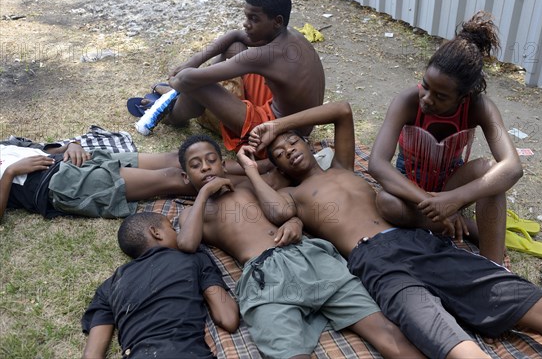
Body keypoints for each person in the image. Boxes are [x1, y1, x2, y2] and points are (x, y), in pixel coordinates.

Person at [245, 101, 542, 359]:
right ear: (276, 168)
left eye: (292, 142)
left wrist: (277, 125)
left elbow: (342, 110)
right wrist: (249, 167)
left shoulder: (342, 165)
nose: (288, 151)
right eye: (278, 154)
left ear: (306, 142)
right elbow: (276, 210)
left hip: (419, 242)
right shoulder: (292, 195)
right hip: (377, 264)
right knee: (462, 351)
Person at [175, 134, 423, 359]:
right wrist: (205, 192)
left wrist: (295, 223)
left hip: (307, 257)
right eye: (196, 166)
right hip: (264, 279)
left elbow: (285, 209)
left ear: (223, 165)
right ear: (186, 177)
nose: (206, 167)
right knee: (289, 354)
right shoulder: (192, 213)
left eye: (211, 160)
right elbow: (187, 243)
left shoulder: (247, 187)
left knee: (385, 331)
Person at [368, 11, 520, 264]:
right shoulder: (407, 102)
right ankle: (465, 227)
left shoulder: (479, 107)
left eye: (440, 96)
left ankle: (493, 268)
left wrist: (454, 199)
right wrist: (431, 202)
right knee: (385, 202)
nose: (427, 99)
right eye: (426, 86)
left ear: (464, 96)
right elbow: (377, 164)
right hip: (412, 190)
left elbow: (513, 167)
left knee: (492, 172)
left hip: (453, 185)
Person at [159, 0, 325, 154]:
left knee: (198, 84)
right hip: (291, 116)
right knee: (234, 48)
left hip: (277, 133)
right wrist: (193, 61)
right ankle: (184, 98)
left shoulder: (264, 56)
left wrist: (176, 82)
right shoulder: (289, 35)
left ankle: (172, 116)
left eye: (254, 19)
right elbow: (236, 35)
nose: (246, 24)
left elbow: (186, 78)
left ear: (277, 21)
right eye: (246, 17)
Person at [81, 212, 239, 359]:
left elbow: (92, 354)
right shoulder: (193, 259)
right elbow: (228, 318)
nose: (177, 233)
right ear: (156, 232)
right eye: (172, 228)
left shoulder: (110, 285)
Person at [0, 138, 197, 221]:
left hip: (75, 160)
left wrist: (71, 145)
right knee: (172, 177)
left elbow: (43, 149)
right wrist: (10, 172)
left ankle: (220, 168)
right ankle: (222, 186)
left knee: (176, 158)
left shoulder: (5, 143)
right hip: (61, 185)